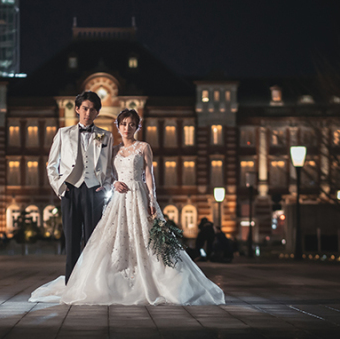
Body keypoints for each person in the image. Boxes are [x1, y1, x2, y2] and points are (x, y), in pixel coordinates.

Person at [31, 109, 225, 305]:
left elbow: (149, 174)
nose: (127, 128)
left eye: (132, 124)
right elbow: (107, 174)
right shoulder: (112, 149)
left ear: (137, 127)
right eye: (123, 124)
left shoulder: (143, 147)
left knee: (145, 237)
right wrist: (113, 183)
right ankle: (114, 279)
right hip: (120, 198)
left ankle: (152, 279)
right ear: (118, 126)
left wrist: (152, 199)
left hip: (139, 194)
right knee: (116, 237)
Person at [46, 91, 114, 283]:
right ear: (77, 109)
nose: (88, 113)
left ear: (97, 113)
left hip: (95, 191)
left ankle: (93, 284)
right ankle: (71, 285)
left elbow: (108, 167)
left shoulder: (105, 136)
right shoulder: (63, 133)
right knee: (72, 241)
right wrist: (60, 186)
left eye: (92, 109)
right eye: (84, 108)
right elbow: (51, 164)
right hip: (70, 191)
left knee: (94, 242)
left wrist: (106, 187)